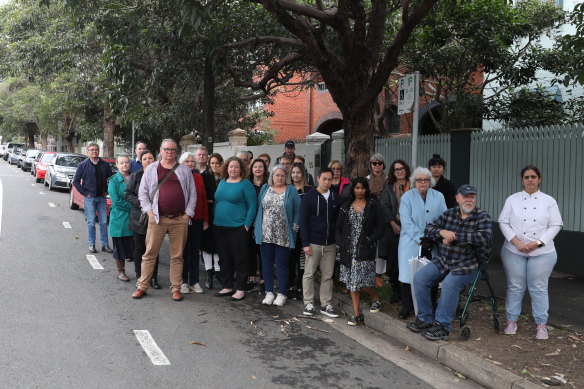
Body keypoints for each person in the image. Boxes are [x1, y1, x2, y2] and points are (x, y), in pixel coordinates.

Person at [407, 185, 492, 341]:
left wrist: (454, 236)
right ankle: (425, 319)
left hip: (468, 264)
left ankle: (442, 326)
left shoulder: (482, 217)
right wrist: (442, 232)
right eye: (466, 196)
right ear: (457, 198)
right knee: (420, 278)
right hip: (444, 260)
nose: (469, 200)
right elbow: (429, 228)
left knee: (449, 284)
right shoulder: (449, 214)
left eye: (472, 197)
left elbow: (483, 238)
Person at [498, 166, 563, 340]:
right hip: (513, 249)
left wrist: (538, 243)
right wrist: (517, 242)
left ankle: (541, 324)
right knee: (515, 285)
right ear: (522, 180)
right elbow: (503, 222)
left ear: (539, 179)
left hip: (542, 251)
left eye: (533, 176)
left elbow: (556, 224)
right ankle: (511, 320)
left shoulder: (549, 201)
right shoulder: (512, 199)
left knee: (539, 287)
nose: (530, 180)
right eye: (526, 177)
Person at [132, 139, 197, 301]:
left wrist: (187, 214)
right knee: (149, 254)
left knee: (177, 256)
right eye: (166, 149)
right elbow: (143, 193)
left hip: (179, 220)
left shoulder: (184, 171)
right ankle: (142, 286)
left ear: (176, 152)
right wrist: (149, 212)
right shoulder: (151, 169)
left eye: (173, 150)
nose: (169, 152)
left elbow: (192, 194)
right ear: (160, 151)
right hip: (157, 218)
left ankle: (176, 288)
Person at [397, 167, 447, 319]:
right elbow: (406, 221)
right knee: (408, 276)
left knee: (431, 274)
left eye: (425, 180)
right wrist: (422, 238)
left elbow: (444, 217)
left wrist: (434, 237)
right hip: (411, 242)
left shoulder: (438, 196)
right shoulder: (407, 197)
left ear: (430, 181)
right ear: (414, 182)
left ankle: (430, 306)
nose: (422, 183)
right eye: (419, 180)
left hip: (433, 243)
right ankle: (407, 307)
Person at [336, 177, 386, 326]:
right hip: (348, 249)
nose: (359, 191)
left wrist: (370, 240)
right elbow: (338, 227)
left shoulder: (372, 205)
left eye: (362, 188)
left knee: (358, 282)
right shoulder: (346, 205)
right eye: (357, 188)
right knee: (352, 283)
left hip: (364, 249)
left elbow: (381, 228)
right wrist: (341, 243)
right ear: (353, 189)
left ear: (366, 189)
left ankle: (374, 297)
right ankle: (357, 314)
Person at [255, 165, 301, 307]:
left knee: (282, 265)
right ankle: (269, 292)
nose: (279, 178)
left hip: (284, 234)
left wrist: (294, 228)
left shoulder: (291, 190)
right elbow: (259, 208)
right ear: (272, 177)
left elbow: (298, 211)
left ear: (285, 177)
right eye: (277, 175)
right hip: (266, 233)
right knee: (266, 264)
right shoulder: (264, 189)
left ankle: (282, 293)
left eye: (282, 175)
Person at [213, 156, 257, 301]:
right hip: (220, 226)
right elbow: (218, 201)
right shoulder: (222, 182)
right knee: (224, 258)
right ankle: (227, 286)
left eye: (236, 167)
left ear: (241, 169)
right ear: (226, 168)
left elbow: (253, 206)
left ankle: (240, 288)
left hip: (238, 227)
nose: (233, 169)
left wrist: (247, 225)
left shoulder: (246, 184)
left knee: (240, 259)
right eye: (231, 166)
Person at [300, 167, 341, 317]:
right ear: (318, 178)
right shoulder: (309, 197)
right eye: (324, 179)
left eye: (330, 179)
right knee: (309, 273)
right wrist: (305, 243)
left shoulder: (336, 198)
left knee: (328, 275)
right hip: (313, 243)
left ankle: (326, 304)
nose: (327, 182)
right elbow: (303, 222)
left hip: (330, 244)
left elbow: (338, 221)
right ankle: (308, 303)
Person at [124, 149, 161, 288]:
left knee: (154, 248)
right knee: (140, 248)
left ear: (155, 160)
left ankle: (153, 277)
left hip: (156, 217)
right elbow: (127, 194)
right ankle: (140, 277)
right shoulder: (136, 176)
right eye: (145, 158)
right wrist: (142, 204)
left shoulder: (160, 176)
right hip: (139, 218)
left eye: (150, 158)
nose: (148, 161)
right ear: (141, 161)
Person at [72, 142, 114, 253]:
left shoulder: (105, 165)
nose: (94, 151)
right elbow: (75, 182)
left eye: (96, 149)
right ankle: (92, 245)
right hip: (89, 198)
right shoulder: (83, 165)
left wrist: (107, 191)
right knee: (91, 222)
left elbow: (111, 180)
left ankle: (105, 245)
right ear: (88, 152)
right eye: (92, 150)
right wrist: (85, 193)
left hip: (102, 198)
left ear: (98, 151)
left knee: (104, 222)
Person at [379, 160, 411, 304]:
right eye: (396, 169)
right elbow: (384, 206)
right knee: (392, 265)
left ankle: (408, 294)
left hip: (410, 230)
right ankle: (395, 291)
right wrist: (393, 224)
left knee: (407, 263)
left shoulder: (413, 186)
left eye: (402, 168)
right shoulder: (389, 188)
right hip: (393, 229)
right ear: (393, 172)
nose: (399, 171)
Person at [179, 152, 209, 295]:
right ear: (181, 163)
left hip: (197, 220)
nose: (190, 164)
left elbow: (203, 200)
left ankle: (194, 281)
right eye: (187, 161)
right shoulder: (177, 177)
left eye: (192, 161)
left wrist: (205, 220)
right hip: (181, 220)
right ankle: (183, 281)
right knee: (183, 252)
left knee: (194, 251)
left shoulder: (198, 177)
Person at [288, 162, 312, 300]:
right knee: (290, 260)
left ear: (303, 174)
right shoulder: (288, 190)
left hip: (304, 232)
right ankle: (290, 286)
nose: (295, 175)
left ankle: (300, 287)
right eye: (293, 172)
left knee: (303, 262)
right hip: (291, 231)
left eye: (298, 172)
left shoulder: (309, 191)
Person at [107, 155, 134, 281]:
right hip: (119, 218)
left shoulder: (135, 177)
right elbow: (116, 201)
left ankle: (141, 273)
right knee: (120, 246)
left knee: (136, 246)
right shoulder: (113, 180)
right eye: (121, 163)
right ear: (117, 165)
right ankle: (121, 271)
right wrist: (133, 207)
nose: (124, 165)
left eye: (126, 162)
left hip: (135, 218)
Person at [201, 152, 223, 288]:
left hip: (221, 213)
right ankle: (208, 273)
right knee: (207, 244)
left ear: (221, 164)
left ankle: (218, 271)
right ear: (209, 164)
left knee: (218, 244)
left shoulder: (225, 177)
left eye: (217, 163)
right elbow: (203, 196)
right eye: (212, 163)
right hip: (208, 213)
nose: (215, 165)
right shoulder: (204, 176)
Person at [247, 158, 269, 291]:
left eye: (260, 167)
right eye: (255, 167)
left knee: (263, 252)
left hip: (265, 223)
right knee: (250, 251)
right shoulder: (247, 184)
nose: (258, 169)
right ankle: (251, 277)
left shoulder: (268, 185)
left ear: (264, 169)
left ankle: (263, 278)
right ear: (251, 169)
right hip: (250, 223)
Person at [367, 153, 388, 287]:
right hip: (371, 214)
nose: (377, 166)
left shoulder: (388, 178)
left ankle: (379, 274)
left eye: (379, 163)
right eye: (374, 163)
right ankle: (369, 272)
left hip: (385, 213)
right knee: (371, 243)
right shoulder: (367, 179)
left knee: (383, 245)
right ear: (371, 165)